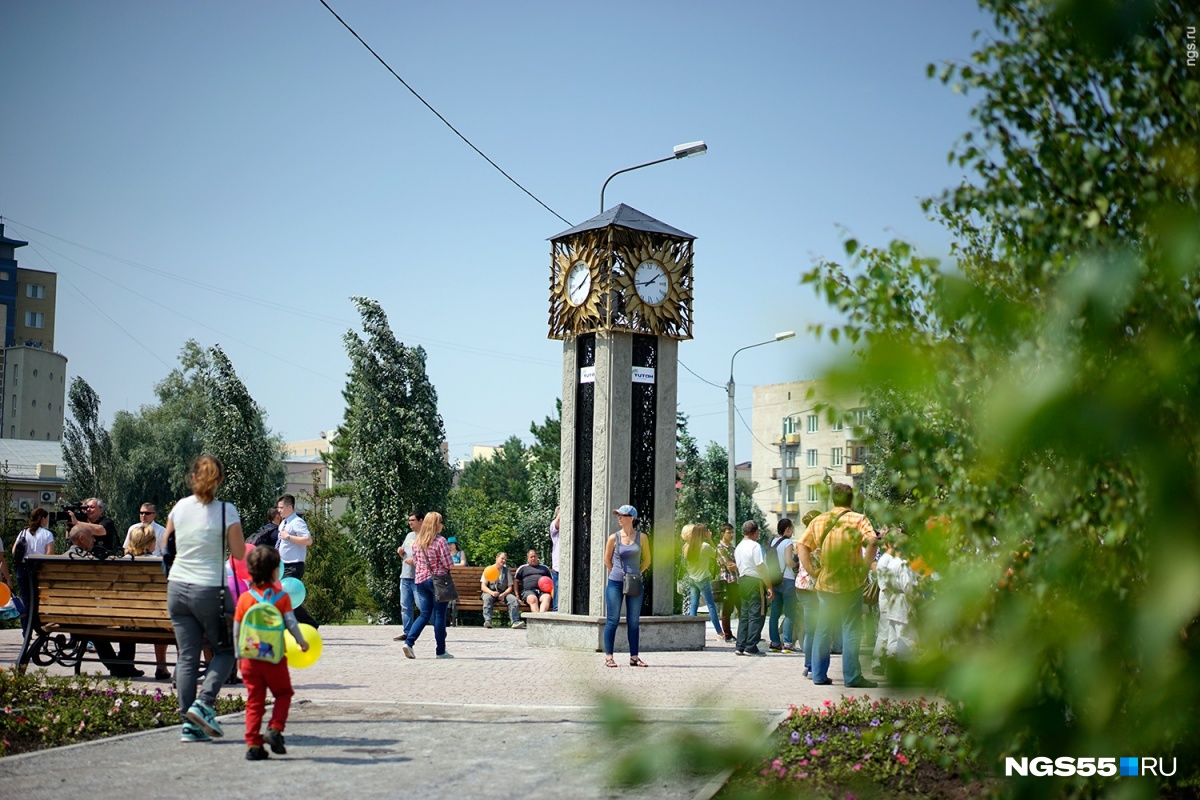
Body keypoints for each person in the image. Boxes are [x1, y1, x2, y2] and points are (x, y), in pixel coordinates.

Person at [164, 455, 246, 742]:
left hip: (177, 588)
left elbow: (167, 546)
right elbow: (237, 554)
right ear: (219, 480)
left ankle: (189, 723)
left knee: (187, 655)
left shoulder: (179, 508)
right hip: (210, 588)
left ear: (193, 478)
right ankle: (204, 703)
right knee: (227, 649)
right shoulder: (226, 511)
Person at [796, 483, 879, 689]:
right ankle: (852, 677)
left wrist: (813, 571)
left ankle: (818, 674)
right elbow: (872, 540)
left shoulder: (819, 520)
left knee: (823, 629)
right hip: (851, 582)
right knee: (851, 629)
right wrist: (865, 567)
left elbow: (802, 545)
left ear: (833, 500)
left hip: (826, 583)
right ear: (851, 501)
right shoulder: (859, 519)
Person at [234, 545, 308, 761]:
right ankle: (275, 729)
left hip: (249, 658)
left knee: (254, 701)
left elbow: (237, 629)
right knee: (283, 694)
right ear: (276, 571)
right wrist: (301, 641)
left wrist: (239, 655)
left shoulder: (245, 599)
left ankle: (253, 745)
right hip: (274, 658)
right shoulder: (282, 598)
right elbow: (292, 623)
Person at [65, 521, 144, 677]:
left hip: (64, 616)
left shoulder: (57, 560)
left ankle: (115, 667)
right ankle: (124, 666)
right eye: (91, 537)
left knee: (93, 627)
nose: (94, 540)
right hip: (88, 615)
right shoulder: (91, 561)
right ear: (81, 538)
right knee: (127, 622)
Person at [602, 505, 652, 668]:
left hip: (635, 582)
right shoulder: (613, 538)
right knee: (612, 619)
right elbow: (607, 560)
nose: (619, 518)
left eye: (622, 515)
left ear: (631, 518)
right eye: (618, 515)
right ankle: (609, 656)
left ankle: (634, 657)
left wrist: (637, 573)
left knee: (634, 621)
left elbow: (647, 560)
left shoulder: (642, 537)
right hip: (615, 582)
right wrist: (617, 573)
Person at [401, 511, 453, 659]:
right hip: (437, 581)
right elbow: (449, 564)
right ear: (436, 524)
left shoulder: (418, 542)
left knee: (424, 614)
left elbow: (416, 562)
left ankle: (409, 642)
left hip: (420, 581)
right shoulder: (440, 541)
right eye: (441, 521)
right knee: (439, 616)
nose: (442, 524)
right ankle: (440, 651)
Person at [125, 524, 172, 679]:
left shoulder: (121, 562)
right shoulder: (160, 563)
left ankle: (125, 665)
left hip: (126, 620)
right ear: (151, 542)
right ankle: (162, 667)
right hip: (155, 619)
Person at [275, 494, 317, 628]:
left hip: (293, 565)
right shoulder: (284, 522)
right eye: (278, 508)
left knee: (287, 597)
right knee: (285, 598)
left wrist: (289, 537)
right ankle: (294, 625)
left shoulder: (297, 522)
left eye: (281, 508)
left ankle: (309, 624)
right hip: (283, 566)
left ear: (289, 507)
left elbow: (308, 541)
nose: (279, 511)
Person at [13, 508, 55, 642]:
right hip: (39, 568)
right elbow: (50, 555)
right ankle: (38, 627)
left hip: (23, 568)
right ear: (42, 518)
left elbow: (14, 550)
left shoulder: (23, 533)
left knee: (25, 600)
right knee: (37, 600)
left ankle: (26, 631)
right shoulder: (47, 534)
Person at [734, 520, 773, 656]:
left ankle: (740, 645)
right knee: (757, 614)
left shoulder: (738, 547)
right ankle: (751, 646)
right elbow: (761, 566)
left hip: (743, 580)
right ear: (756, 532)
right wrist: (769, 586)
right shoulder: (755, 546)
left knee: (744, 614)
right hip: (755, 581)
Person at [680, 523, 722, 636]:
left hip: (692, 578)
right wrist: (710, 539)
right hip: (703, 579)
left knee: (693, 604)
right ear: (703, 534)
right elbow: (718, 556)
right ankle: (719, 632)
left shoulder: (686, 547)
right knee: (711, 606)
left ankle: (691, 631)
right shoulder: (705, 546)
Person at [795, 510, 821, 678]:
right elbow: (817, 569)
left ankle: (808, 665)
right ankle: (811, 666)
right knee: (815, 630)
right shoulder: (815, 544)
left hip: (801, 586)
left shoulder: (802, 539)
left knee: (810, 628)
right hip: (812, 588)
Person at [767, 518, 799, 653]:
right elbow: (788, 561)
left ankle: (774, 642)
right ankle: (787, 643)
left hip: (775, 580)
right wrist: (796, 565)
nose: (792, 531)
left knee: (774, 613)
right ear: (787, 529)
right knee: (790, 613)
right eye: (792, 529)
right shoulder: (788, 542)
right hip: (787, 580)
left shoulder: (773, 542)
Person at [393, 511, 423, 641]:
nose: (410, 523)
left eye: (412, 520)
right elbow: (405, 555)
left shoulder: (426, 536)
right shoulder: (409, 535)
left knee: (422, 606)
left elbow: (429, 559)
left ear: (421, 520)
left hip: (418, 577)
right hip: (405, 576)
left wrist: (415, 562)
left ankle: (437, 626)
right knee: (405, 606)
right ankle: (407, 632)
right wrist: (400, 553)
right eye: (409, 520)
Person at [480, 552, 524, 629]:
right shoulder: (489, 569)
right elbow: (483, 587)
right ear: (496, 558)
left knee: (513, 599)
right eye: (502, 558)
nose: (503, 561)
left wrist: (503, 594)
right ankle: (488, 621)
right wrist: (492, 593)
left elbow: (510, 587)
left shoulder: (507, 571)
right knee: (487, 598)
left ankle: (515, 622)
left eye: (505, 560)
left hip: (503, 593)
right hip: (490, 592)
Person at [715, 523, 738, 643]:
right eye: (729, 532)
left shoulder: (733, 548)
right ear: (723, 534)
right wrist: (736, 565)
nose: (731, 535)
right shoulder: (720, 548)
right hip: (727, 581)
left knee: (740, 607)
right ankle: (727, 634)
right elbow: (729, 565)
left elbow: (737, 564)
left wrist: (737, 565)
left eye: (732, 532)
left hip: (736, 581)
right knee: (727, 608)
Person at [514, 549, 553, 614]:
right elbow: (515, 581)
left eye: (534, 556)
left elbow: (551, 582)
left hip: (542, 591)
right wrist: (517, 597)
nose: (533, 558)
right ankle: (539, 620)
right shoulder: (522, 568)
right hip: (528, 592)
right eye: (531, 557)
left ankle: (540, 619)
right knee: (533, 599)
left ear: (537, 557)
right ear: (527, 558)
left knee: (547, 597)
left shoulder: (544, 568)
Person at [549, 507, 561, 611]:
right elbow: (557, 523)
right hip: (558, 566)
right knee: (557, 588)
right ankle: (556, 609)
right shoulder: (554, 527)